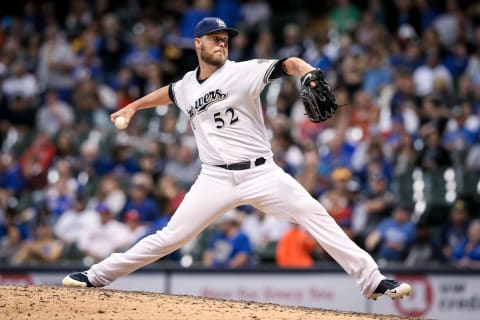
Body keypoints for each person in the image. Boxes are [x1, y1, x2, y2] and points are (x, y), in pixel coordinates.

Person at [63, 17, 411, 300]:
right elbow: (169, 93)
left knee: (314, 214)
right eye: (214, 38)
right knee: (170, 237)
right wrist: (134, 106)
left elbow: (288, 63)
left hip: (262, 173)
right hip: (214, 178)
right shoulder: (186, 85)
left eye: (225, 38)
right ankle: (95, 276)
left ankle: (372, 280)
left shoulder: (242, 71)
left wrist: (307, 72)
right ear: (197, 44)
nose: (222, 42)